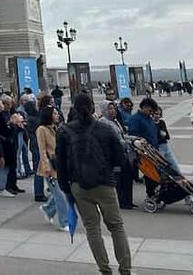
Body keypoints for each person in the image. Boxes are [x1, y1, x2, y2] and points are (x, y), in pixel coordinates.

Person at [56, 93, 132, 275]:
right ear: (92, 108)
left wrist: (67, 189)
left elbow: (60, 164)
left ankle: (105, 269)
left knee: (92, 228)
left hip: (79, 185)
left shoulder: (64, 131)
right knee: (116, 226)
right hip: (104, 182)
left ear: (74, 108)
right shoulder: (105, 129)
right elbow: (120, 159)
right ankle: (125, 269)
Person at [35, 105, 68, 230]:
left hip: (59, 164)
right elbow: (42, 149)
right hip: (49, 165)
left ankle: (48, 209)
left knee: (59, 193)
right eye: (54, 113)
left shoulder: (56, 128)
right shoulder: (41, 130)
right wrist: (46, 166)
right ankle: (64, 222)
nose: (57, 115)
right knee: (61, 195)